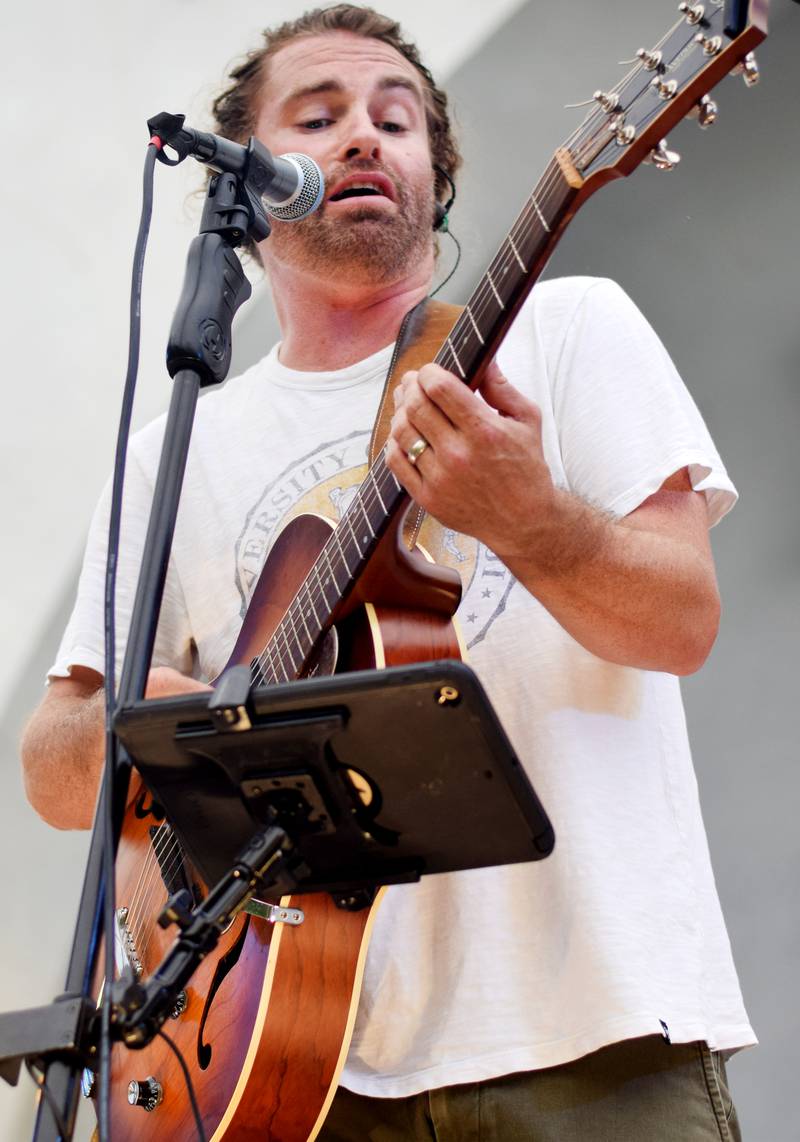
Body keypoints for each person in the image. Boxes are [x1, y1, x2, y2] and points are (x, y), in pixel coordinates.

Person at [21, 6, 754, 1139]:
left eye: (394, 119)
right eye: (316, 118)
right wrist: (190, 724)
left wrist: (530, 520)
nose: (362, 135)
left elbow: (681, 622)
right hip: (293, 1068)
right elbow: (56, 768)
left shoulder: (563, 332)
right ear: (249, 194)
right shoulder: (178, 448)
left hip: (591, 1041)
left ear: (436, 180)